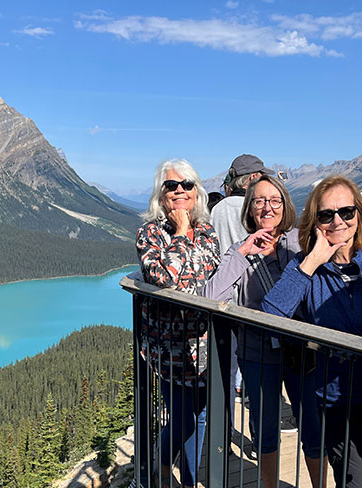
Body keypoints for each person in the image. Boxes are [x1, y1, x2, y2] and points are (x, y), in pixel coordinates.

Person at [261, 175, 362, 487]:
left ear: (359, 215)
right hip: (341, 404)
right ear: (315, 221)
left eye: (346, 212)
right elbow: (271, 315)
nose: (337, 221)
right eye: (326, 215)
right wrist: (311, 262)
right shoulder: (304, 270)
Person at [203, 175, 325, 488]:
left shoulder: (302, 242)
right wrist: (243, 253)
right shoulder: (239, 249)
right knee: (265, 430)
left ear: (285, 205)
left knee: (313, 427)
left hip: (302, 352)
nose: (267, 207)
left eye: (274, 200)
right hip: (256, 351)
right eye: (259, 201)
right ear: (249, 208)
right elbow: (210, 298)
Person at [135, 158, 221, 488]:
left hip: (205, 346)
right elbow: (164, 277)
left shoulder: (209, 233)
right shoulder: (150, 234)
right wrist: (183, 233)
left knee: (198, 418)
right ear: (161, 194)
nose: (180, 191)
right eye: (172, 186)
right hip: (170, 351)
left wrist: (184, 272)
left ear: (197, 193)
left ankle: (189, 481)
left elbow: (210, 281)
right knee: (183, 418)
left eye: (187, 185)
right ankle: (158, 467)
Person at [211, 154, 274, 402]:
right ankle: (255, 402)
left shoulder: (217, 209)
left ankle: (221, 427)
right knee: (255, 360)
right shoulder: (256, 209)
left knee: (226, 364)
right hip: (253, 295)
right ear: (253, 179)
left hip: (224, 293)